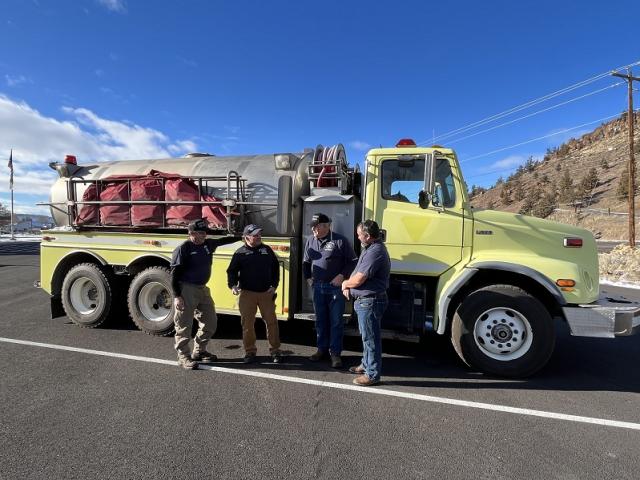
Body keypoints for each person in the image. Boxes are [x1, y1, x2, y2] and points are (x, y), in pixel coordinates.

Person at [171, 218, 237, 370]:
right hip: (186, 289)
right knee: (183, 325)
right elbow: (174, 274)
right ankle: (183, 357)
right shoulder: (183, 249)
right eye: (200, 233)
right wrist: (177, 296)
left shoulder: (208, 244)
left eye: (205, 233)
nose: (203, 236)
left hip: (202, 289)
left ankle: (199, 351)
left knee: (210, 321)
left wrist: (241, 237)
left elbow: (222, 241)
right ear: (191, 233)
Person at [303, 213, 357, 368]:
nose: (313, 229)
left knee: (336, 322)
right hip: (318, 287)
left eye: (316, 226)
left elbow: (353, 261)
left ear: (326, 226)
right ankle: (321, 350)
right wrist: (308, 278)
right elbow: (306, 262)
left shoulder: (340, 240)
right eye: (312, 226)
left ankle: (335, 354)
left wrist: (342, 276)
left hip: (335, 289)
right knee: (320, 321)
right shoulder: (310, 241)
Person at [341, 220, 390, 386]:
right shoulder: (370, 249)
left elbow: (360, 278)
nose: (358, 236)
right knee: (366, 336)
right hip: (366, 302)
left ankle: (372, 374)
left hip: (370, 302)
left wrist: (346, 284)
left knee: (371, 339)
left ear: (368, 236)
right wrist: (349, 282)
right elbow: (357, 271)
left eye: (359, 234)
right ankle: (366, 364)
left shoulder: (375, 251)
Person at [227, 224, 283, 364]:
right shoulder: (240, 253)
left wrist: (274, 285)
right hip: (247, 294)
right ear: (247, 237)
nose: (258, 237)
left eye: (259, 235)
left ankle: (275, 351)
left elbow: (276, 268)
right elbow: (231, 271)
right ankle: (250, 352)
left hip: (266, 293)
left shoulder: (267, 250)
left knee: (272, 323)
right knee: (247, 325)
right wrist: (233, 285)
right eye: (255, 235)